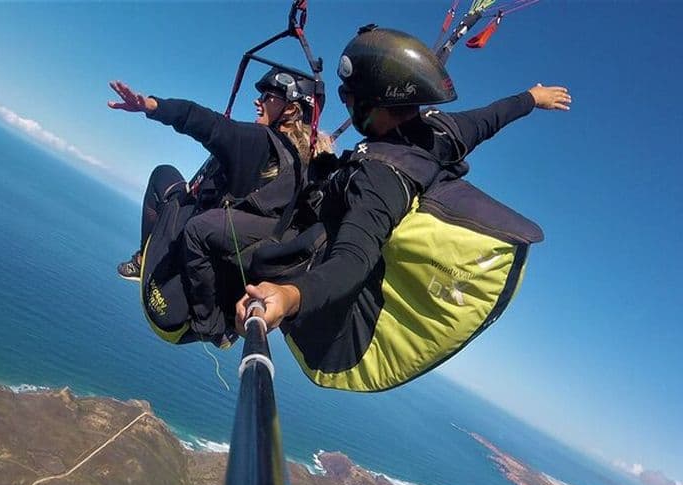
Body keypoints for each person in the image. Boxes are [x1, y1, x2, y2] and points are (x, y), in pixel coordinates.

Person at [236, 25, 572, 390]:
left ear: (376, 103)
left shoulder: (380, 178)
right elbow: (491, 118)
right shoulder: (441, 131)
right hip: (343, 214)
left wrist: (290, 296)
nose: (345, 100)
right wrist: (532, 97)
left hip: (336, 331)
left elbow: (352, 260)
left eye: (349, 95)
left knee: (227, 239)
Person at [108, 67, 332, 346]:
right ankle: (216, 324)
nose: (258, 100)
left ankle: (143, 260)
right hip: (224, 308)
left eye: (268, 96)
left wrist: (153, 106)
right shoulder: (306, 172)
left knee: (164, 176)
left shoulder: (260, 142)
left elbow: (210, 124)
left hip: (170, 305)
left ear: (290, 109)